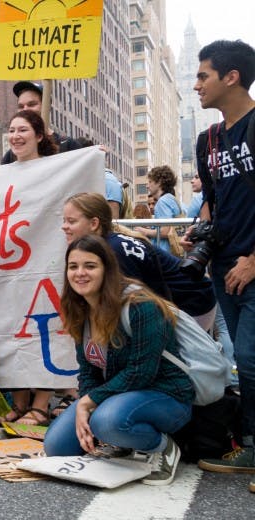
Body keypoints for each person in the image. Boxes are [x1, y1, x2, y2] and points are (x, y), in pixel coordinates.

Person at [44, 235, 193, 486]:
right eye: (73, 266)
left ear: (107, 270)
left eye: (90, 266)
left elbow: (142, 372)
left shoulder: (140, 305)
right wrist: (85, 406)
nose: (80, 273)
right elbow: (89, 370)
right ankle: (122, 439)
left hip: (167, 395)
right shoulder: (80, 308)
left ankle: (163, 447)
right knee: (56, 446)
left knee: (106, 421)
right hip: (117, 396)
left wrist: (88, 403)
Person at [188, 39, 255, 486]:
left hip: (251, 264)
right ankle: (248, 446)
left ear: (231, 77)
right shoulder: (207, 139)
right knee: (242, 361)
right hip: (224, 268)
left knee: (249, 357)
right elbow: (211, 202)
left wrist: (253, 259)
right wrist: (199, 230)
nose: (196, 85)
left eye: (203, 76)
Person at [62, 192, 217, 331]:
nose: (64, 227)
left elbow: (141, 305)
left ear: (94, 224)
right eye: (64, 220)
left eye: (71, 221)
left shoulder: (115, 251)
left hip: (194, 304)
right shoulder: (109, 244)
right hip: (187, 299)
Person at [0, 109, 58, 426]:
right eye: (12, 129)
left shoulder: (55, 169)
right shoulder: (1, 173)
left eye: (23, 129)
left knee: (44, 329)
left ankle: (42, 403)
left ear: (38, 135)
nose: (16, 135)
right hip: (9, 265)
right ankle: (20, 402)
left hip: (45, 262)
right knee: (12, 328)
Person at [0, 81, 81, 164]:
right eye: (21, 106)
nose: (25, 109)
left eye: (32, 104)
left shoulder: (69, 146)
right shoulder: (10, 156)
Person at [135, 165, 182, 254]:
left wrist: (145, 231)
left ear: (159, 182)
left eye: (150, 181)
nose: (147, 186)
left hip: (164, 252)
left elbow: (165, 231)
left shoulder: (162, 202)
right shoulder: (171, 198)